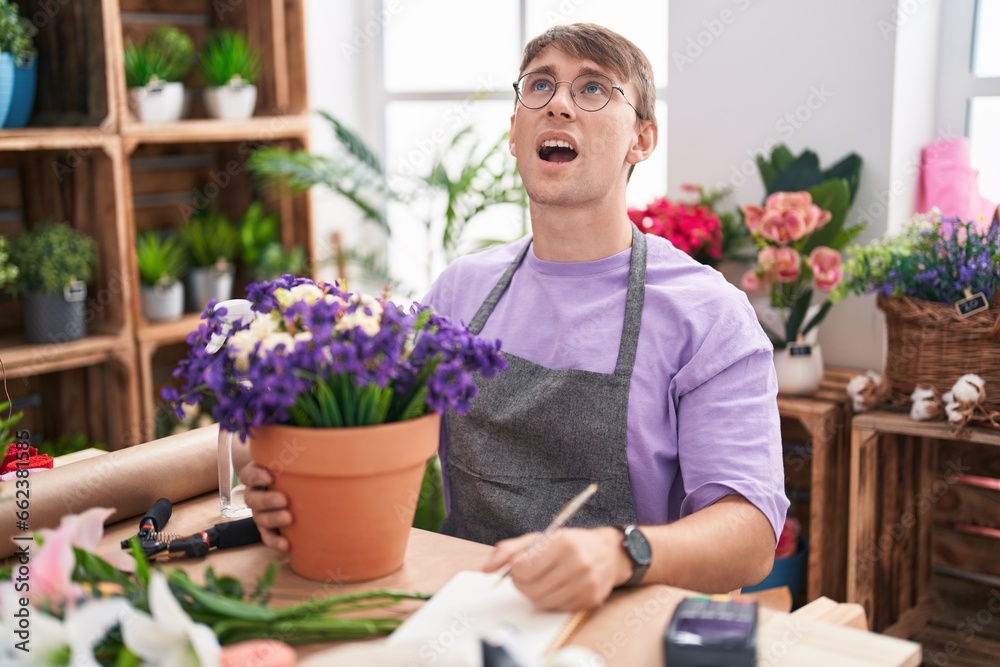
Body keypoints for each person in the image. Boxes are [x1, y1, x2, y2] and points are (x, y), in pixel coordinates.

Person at [243, 23, 787, 612]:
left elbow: (750, 535)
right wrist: (292, 484)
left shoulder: (707, 314)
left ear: (642, 139)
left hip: (621, 623)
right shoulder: (460, 292)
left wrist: (621, 554)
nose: (558, 103)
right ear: (514, 132)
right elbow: (368, 437)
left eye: (594, 89)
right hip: (463, 611)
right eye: (540, 85)